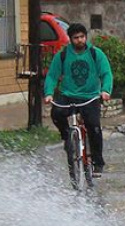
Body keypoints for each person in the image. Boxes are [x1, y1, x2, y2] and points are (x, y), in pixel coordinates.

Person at [44, 22, 113, 178]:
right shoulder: (62, 55)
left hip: (90, 97)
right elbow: (52, 76)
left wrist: (105, 91)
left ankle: (97, 162)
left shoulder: (96, 54)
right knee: (56, 113)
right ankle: (66, 136)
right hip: (68, 95)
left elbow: (106, 73)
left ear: (86, 37)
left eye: (82, 37)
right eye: (76, 38)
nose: (80, 40)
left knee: (94, 127)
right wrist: (48, 93)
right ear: (70, 39)